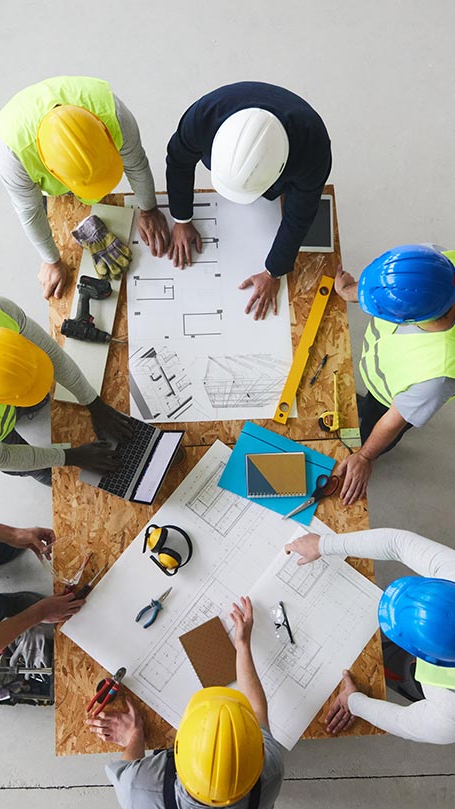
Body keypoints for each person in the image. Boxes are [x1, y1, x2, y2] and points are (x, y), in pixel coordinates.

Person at [87, 596, 284, 809]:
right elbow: (257, 709)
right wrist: (242, 646)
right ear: (256, 752)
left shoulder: (140, 790)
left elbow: (126, 767)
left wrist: (134, 737)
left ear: (176, 748)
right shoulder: (270, 773)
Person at [0, 76, 169, 300]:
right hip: (19, 135)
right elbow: (29, 211)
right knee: (52, 207)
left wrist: (149, 209)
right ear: (51, 170)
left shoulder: (115, 116)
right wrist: (52, 261)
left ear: (104, 133)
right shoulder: (13, 158)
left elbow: (136, 164)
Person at [165, 82, 331, 320]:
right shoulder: (203, 116)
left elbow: (300, 215)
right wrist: (181, 218)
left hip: (297, 145)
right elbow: (178, 162)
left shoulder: (313, 149)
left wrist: (274, 271)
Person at [285, 529, 455, 745]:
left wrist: (354, 701)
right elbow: (396, 543)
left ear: (420, 653)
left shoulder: (448, 715)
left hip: (436, 685)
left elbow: (401, 721)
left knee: (396, 670)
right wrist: (323, 545)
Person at [0, 293, 134, 485]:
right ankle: (42, 471)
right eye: (21, 394)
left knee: (38, 399)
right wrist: (71, 457)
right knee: (41, 471)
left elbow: (52, 355)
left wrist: (95, 403)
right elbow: (3, 456)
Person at [334, 244, 455, 505]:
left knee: (370, 432)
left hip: (389, 401)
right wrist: (349, 291)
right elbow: (390, 286)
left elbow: (393, 420)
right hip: (383, 377)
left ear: (407, 319)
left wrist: (365, 457)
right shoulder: (432, 264)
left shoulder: (436, 377)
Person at [0, 506, 85, 674]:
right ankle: (10, 605)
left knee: (3, 547)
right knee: (0, 608)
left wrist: (13, 535)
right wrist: (41, 612)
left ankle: (6, 550)